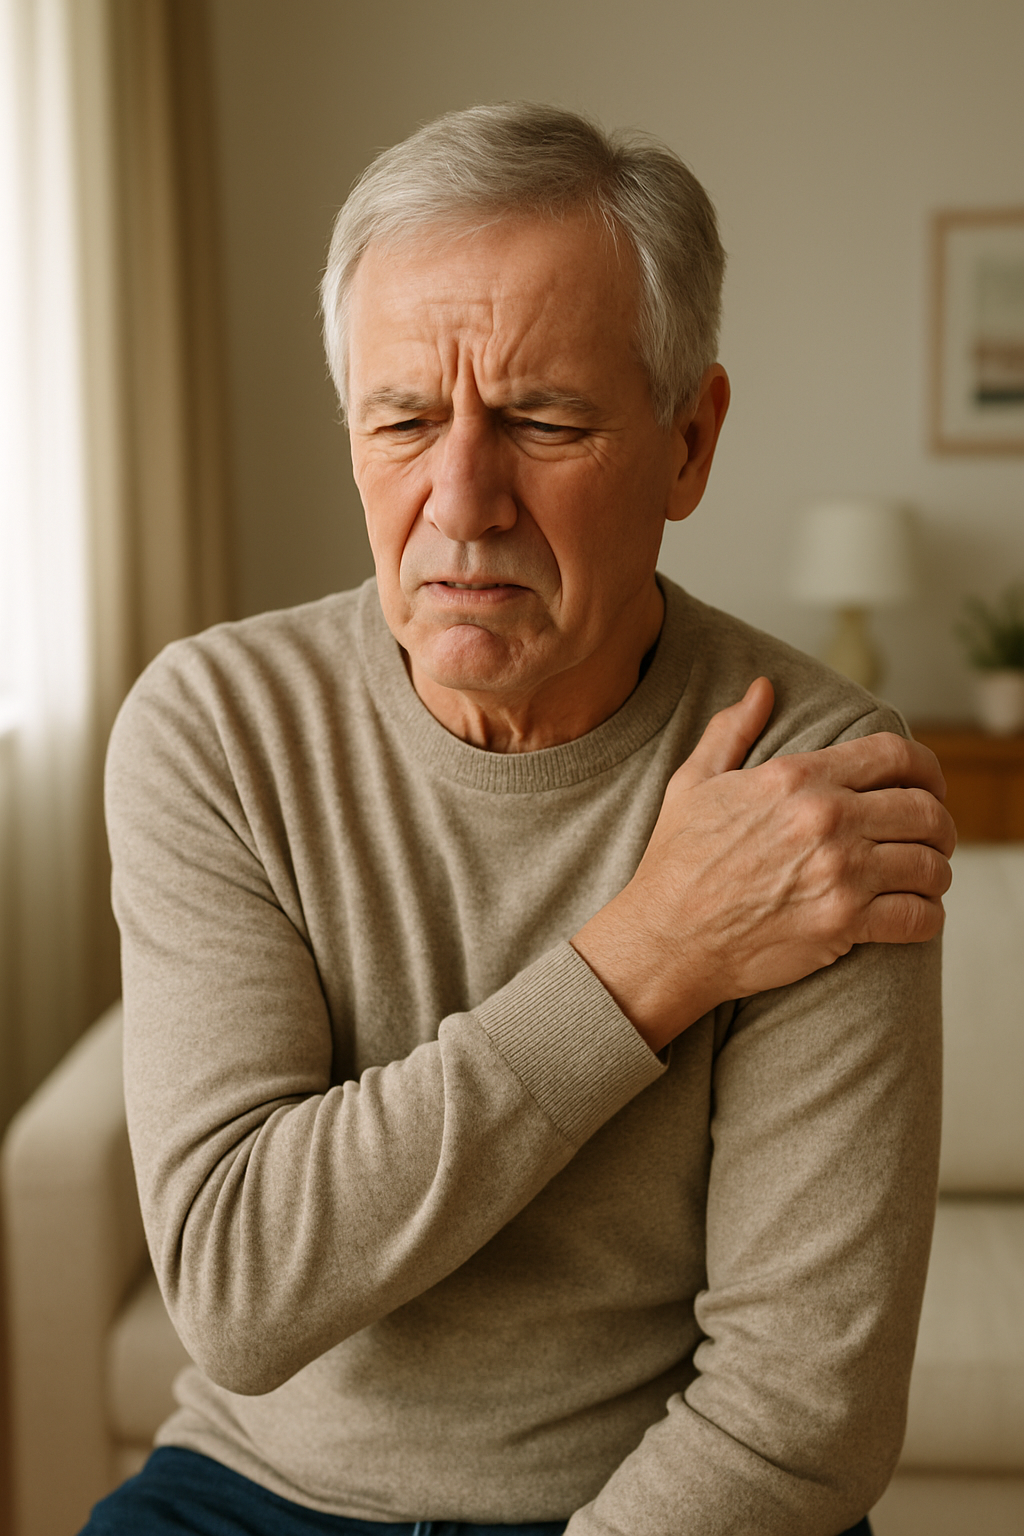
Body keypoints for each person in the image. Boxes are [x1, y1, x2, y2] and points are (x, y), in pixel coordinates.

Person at [86, 103, 953, 1536]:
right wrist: (650, 954)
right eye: (405, 421)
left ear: (689, 443)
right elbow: (240, 1289)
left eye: (544, 421)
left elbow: (802, 1424)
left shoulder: (817, 783)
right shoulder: (217, 725)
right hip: (260, 1492)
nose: (463, 501)